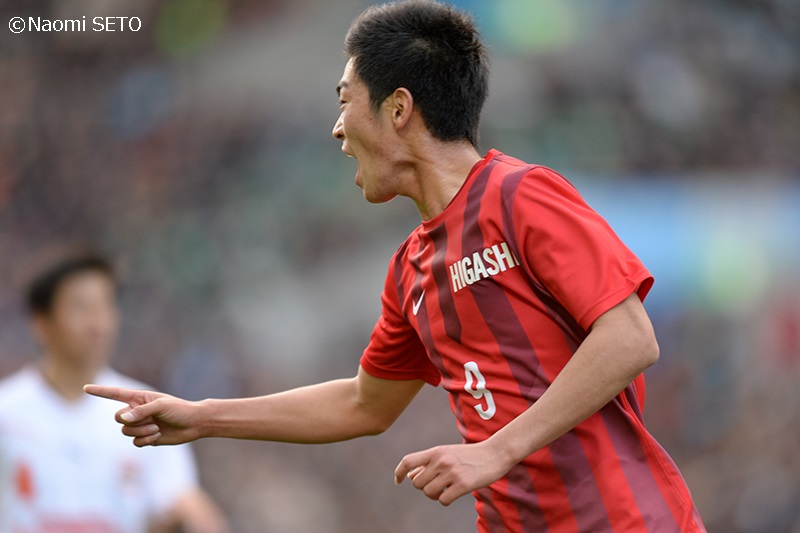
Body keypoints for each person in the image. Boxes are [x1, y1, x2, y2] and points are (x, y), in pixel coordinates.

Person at [86, 1, 707, 531]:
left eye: (345, 101)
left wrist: (496, 450)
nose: (337, 130)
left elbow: (630, 337)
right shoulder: (412, 269)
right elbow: (364, 404)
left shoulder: (520, 195)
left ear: (399, 108)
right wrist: (202, 417)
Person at [0, 252, 229, 533]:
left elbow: (181, 502)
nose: (97, 323)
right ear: (41, 322)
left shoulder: (147, 408)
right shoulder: (6, 412)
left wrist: (187, 519)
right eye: (81, 306)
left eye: (105, 306)